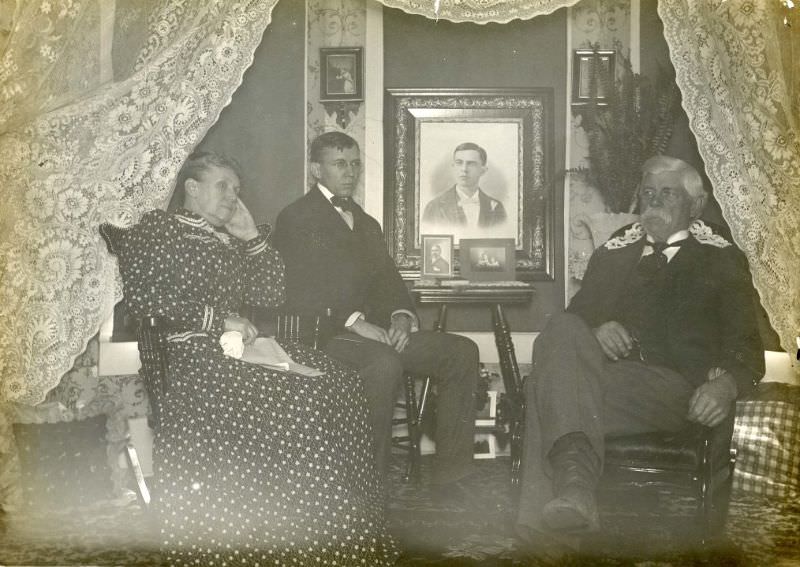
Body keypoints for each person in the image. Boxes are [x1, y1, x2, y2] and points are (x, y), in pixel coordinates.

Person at [108, 151, 398, 566]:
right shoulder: (160, 228)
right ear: (191, 188)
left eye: (237, 190)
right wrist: (217, 318)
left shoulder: (225, 238)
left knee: (341, 379)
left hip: (239, 350)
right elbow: (146, 299)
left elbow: (271, 295)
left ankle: (339, 533)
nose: (232, 196)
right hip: (189, 357)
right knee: (302, 399)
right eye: (222, 186)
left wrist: (250, 238)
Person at [515, 156, 764, 553]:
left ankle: (548, 535)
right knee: (561, 329)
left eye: (668, 194)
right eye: (648, 193)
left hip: (673, 388)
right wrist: (595, 331)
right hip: (601, 380)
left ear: (695, 205)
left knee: (544, 390)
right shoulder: (614, 253)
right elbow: (575, 319)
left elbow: (748, 347)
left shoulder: (721, 259)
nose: (655, 202)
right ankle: (574, 493)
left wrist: (726, 386)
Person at [273, 132, 479, 499]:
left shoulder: (367, 223)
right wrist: (355, 322)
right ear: (316, 169)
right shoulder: (295, 218)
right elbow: (301, 290)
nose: (349, 172)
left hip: (372, 334)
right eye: (340, 164)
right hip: (321, 336)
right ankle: (369, 484)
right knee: (383, 362)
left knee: (460, 351)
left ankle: (452, 474)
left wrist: (400, 315)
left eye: (354, 164)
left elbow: (388, 280)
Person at [422, 142, 507, 229]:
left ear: (483, 170)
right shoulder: (434, 207)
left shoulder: (496, 207)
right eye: (459, 163)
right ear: (453, 167)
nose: (464, 169)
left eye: (471, 164)